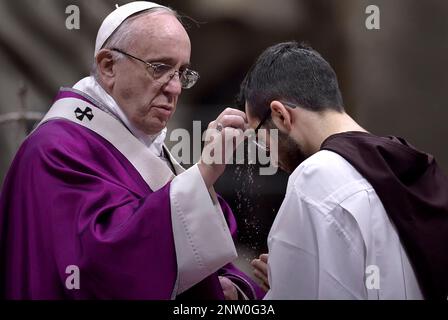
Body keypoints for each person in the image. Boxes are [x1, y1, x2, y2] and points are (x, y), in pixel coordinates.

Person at [0, 1, 263, 300]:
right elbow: (101, 268)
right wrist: (202, 175)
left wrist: (236, 289)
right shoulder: (53, 150)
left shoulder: (144, 141)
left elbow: (201, 259)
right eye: (160, 68)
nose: (175, 88)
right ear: (108, 66)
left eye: (182, 73)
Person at [242, 41, 448, 299]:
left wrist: (287, 285)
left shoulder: (315, 178)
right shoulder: (414, 170)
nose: (271, 159)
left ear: (281, 115)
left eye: (260, 138)